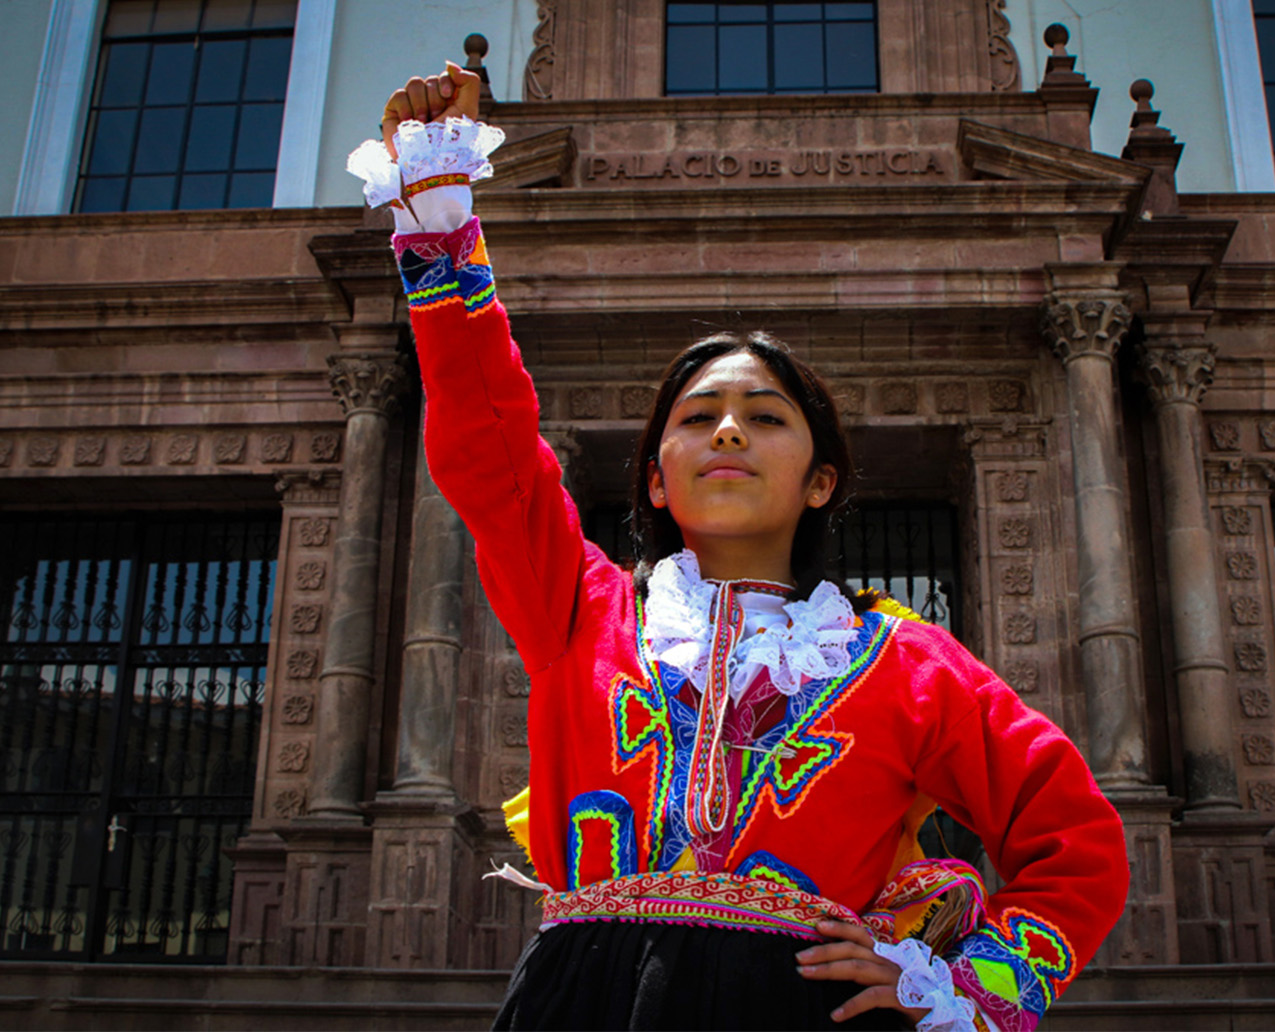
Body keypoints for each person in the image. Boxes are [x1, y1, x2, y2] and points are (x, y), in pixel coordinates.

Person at [349, 64, 1129, 1032]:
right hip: (580, 1004)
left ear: (821, 478)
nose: (727, 431)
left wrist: (972, 985)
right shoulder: (580, 609)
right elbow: (486, 440)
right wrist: (438, 222)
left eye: (764, 416)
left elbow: (1076, 838)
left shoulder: (909, 663)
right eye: (697, 415)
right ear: (654, 476)